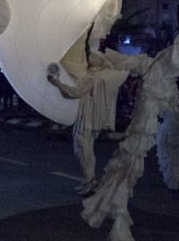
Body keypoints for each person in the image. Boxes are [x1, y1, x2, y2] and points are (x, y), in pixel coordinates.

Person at [47, 52, 130, 196]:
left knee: (82, 149)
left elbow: (76, 92)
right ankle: (88, 180)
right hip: (92, 118)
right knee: (86, 149)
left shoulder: (92, 78)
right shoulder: (101, 78)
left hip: (87, 118)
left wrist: (57, 83)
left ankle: (90, 181)